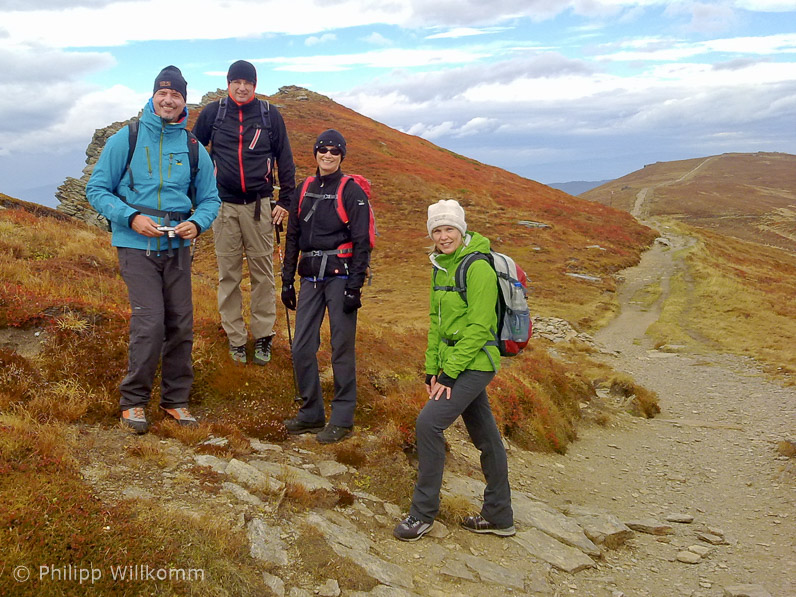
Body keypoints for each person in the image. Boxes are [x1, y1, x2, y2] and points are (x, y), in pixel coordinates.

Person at [87, 66, 221, 434]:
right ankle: (133, 402)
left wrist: (197, 223)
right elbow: (97, 190)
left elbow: (210, 199)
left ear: (183, 101)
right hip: (135, 244)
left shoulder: (193, 147)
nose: (168, 99)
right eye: (162, 93)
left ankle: (176, 401)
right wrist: (130, 218)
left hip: (177, 246)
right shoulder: (126, 138)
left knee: (180, 323)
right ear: (152, 96)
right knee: (150, 322)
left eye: (175, 94)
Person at [393, 199, 515, 541]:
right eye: (437, 230)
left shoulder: (477, 267)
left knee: (428, 423)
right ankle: (500, 515)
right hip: (454, 364)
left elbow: (479, 327)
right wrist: (431, 368)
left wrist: (449, 374)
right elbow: (436, 322)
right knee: (486, 436)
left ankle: (422, 513)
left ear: (461, 230)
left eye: (449, 229)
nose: (443, 236)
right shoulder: (441, 266)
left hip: (476, 363)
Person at [192, 60, 296, 366]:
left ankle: (263, 335)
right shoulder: (214, 113)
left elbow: (284, 157)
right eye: (236, 81)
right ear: (228, 83)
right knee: (229, 275)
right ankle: (235, 337)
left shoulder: (269, 114)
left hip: (259, 206)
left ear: (255, 84)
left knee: (263, 275)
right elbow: (193, 149)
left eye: (247, 82)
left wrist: (286, 201)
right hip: (222, 207)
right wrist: (200, 186)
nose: (242, 87)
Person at [280, 130, 371, 444]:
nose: (328, 155)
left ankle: (343, 419)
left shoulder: (351, 191)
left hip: (341, 277)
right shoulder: (303, 188)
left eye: (335, 151)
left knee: (340, 348)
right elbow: (293, 237)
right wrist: (286, 281)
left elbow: (362, 242)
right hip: (309, 277)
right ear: (315, 153)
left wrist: (354, 288)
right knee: (301, 346)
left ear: (342, 156)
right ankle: (311, 413)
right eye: (323, 150)